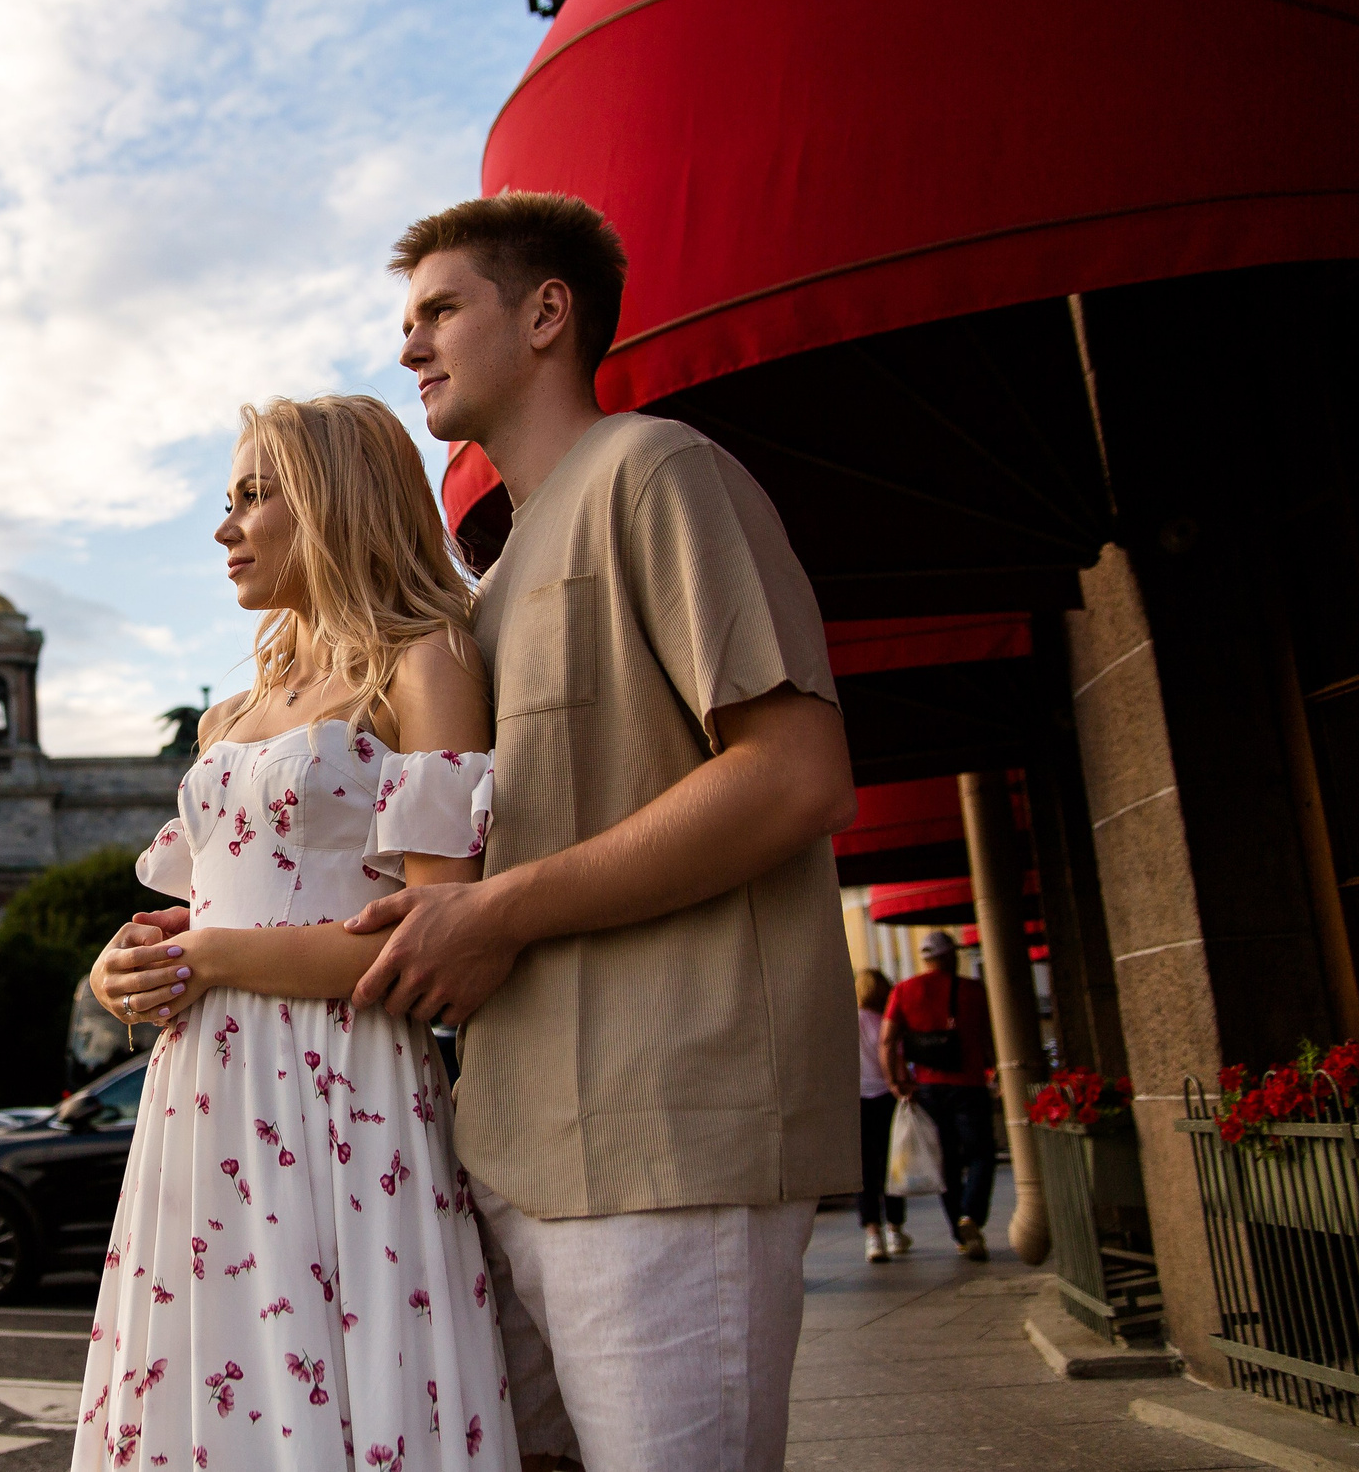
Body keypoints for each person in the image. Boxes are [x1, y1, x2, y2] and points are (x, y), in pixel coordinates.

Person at [340, 191, 861, 1472]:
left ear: (546, 313)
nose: (409, 347)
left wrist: (496, 910)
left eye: (439, 311)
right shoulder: (495, 579)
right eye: (404, 323)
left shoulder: (657, 469)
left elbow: (794, 776)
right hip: (510, 1148)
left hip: (669, 1137)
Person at [79, 394, 520, 1472]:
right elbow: (214, 910)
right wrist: (121, 968)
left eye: (252, 496)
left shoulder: (425, 663)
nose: (225, 528)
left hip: (342, 1089)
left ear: (332, 500)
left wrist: (209, 957)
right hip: (200, 1101)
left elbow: (426, 939)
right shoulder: (230, 717)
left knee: (346, 1393)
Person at [882, 929, 997, 1261]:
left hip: (928, 1088)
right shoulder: (973, 990)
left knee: (946, 1160)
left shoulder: (904, 990)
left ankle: (960, 1237)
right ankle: (971, 1216)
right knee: (980, 1154)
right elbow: (989, 1036)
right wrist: (998, 1071)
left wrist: (895, 1081)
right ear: (950, 955)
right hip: (969, 1083)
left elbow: (888, 1041)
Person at [853, 969, 909, 1262]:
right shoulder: (886, 1023)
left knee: (864, 1171)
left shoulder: (844, 1023)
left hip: (857, 1102)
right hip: (887, 1098)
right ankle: (895, 1230)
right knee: (892, 1165)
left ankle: (872, 1236)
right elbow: (896, 1059)